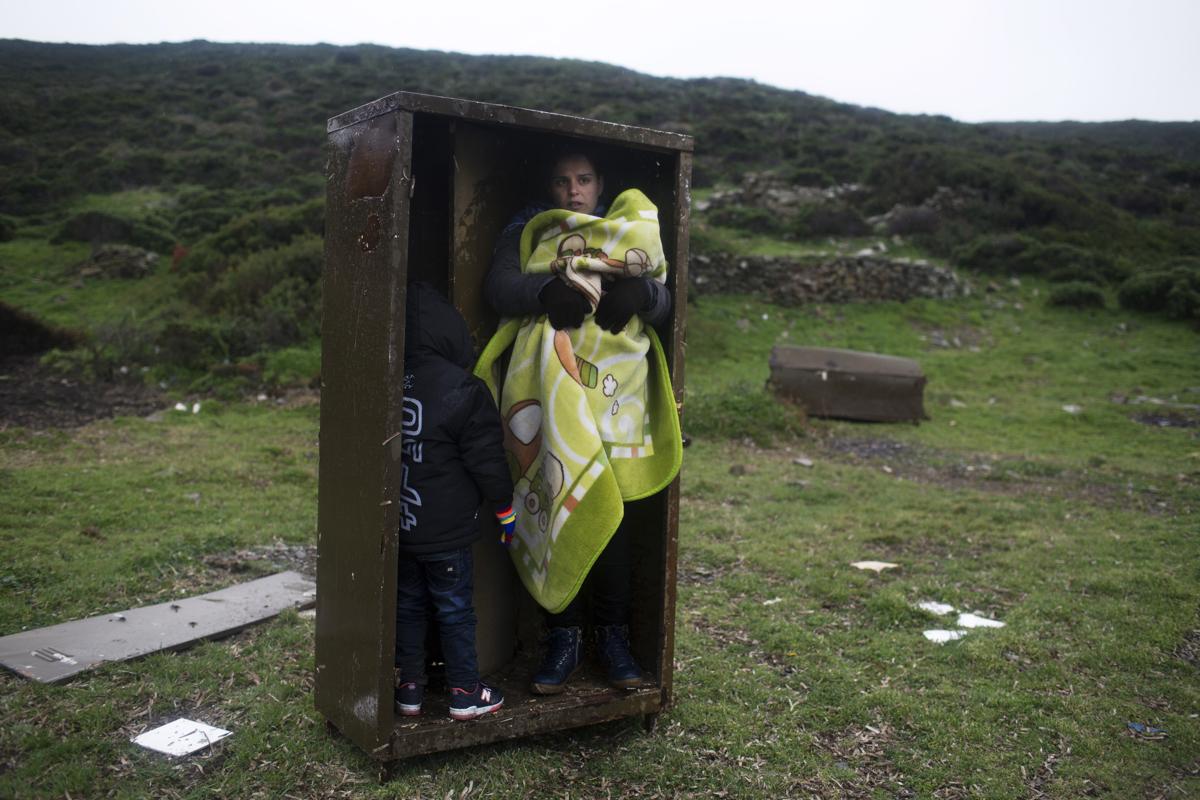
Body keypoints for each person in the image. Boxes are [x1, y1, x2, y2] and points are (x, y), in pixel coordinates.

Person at [484, 152, 672, 695]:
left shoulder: (625, 230)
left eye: (583, 179)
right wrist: (545, 292)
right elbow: (497, 287)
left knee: (610, 517)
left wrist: (644, 294)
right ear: (548, 186)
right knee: (551, 511)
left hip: (616, 401)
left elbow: (667, 296)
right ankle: (561, 637)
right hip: (552, 396)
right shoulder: (530, 228)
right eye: (561, 180)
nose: (573, 191)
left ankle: (612, 639)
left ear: (601, 185)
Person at [393, 282, 518, 720]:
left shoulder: (387, 382)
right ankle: (465, 692)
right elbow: (488, 462)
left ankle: (409, 689)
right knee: (454, 609)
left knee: (407, 607)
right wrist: (506, 511)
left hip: (402, 529)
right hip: (447, 534)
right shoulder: (464, 389)